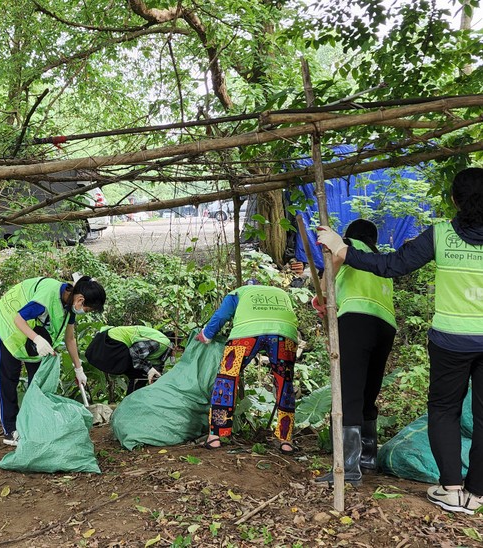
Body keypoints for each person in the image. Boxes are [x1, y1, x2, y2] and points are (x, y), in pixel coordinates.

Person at [317, 167, 483, 514]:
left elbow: (392, 264)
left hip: (451, 341)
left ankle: (452, 490)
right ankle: (477, 494)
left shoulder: (441, 235)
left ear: (453, 200)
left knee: (444, 412)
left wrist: (343, 250)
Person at [312, 219, 397, 485]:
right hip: (385, 325)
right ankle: (367, 457)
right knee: (369, 390)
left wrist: (323, 292)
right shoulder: (379, 258)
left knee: (349, 391)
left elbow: (337, 257)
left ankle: (348, 468)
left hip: (356, 320)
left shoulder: (350, 246)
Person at [0, 275, 106, 446]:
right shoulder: (47, 296)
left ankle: (32, 425)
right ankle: (10, 430)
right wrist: (37, 339)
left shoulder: (70, 305)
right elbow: (18, 319)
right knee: (7, 377)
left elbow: (70, 339)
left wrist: (78, 369)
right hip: (8, 326)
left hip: (32, 334)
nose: (85, 312)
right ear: (80, 300)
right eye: (88, 309)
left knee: (38, 380)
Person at [196, 280, 299, 454]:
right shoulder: (280, 293)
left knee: (227, 378)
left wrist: (206, 335)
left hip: (246, 334)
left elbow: (221, 316)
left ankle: (215, 436)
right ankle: (286, 440)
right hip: (284, 334)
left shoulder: (237, 293)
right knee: (284, 383)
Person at [85, 325, 174, 394]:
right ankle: (131, 402)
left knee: (141, 374)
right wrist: (149, 369)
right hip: (110, 342)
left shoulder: (162, 355)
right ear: (178, 347)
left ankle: (131, 402)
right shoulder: (161, 342)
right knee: (140, 372)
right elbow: (134, 352)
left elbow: (157, 372)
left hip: (115, 346)